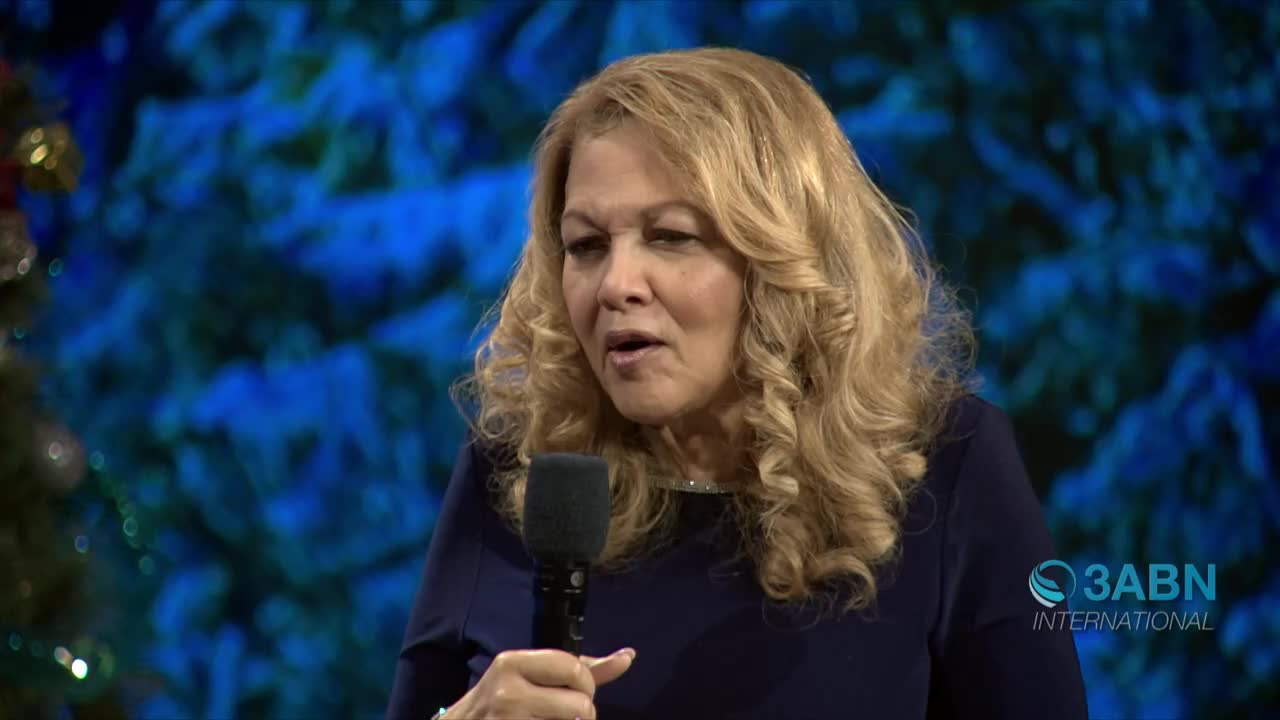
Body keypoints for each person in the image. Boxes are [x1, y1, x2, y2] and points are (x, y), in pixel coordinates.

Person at [386, 47, 1089, 720]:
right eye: (586, 246)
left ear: (782, 260)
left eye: (671, 236)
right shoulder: (517, 475)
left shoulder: (944, 469)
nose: (616, 285)